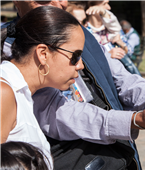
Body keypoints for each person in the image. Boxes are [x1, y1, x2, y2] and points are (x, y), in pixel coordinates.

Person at [2, 0, 145, 169]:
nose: (59, 3)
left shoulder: (78, 34)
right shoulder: (12, 61)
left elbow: (125, 81)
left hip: (120, 156)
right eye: (73, 57)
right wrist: (135, 120)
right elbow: (61, 113)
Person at [0, 5, 85, 169]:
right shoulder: (4, 93)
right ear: (43, 54)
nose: (80, 65)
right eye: (75, 56)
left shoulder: (20, 92)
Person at [84, 0, 141, 75]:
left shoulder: (113, 28)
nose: (109, 7)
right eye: (105, 4)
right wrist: (108, 54)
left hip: (122, 74)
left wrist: (120, 43)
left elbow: (130, 52)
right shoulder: (85, 32)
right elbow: (88, 59)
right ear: (91, 7)